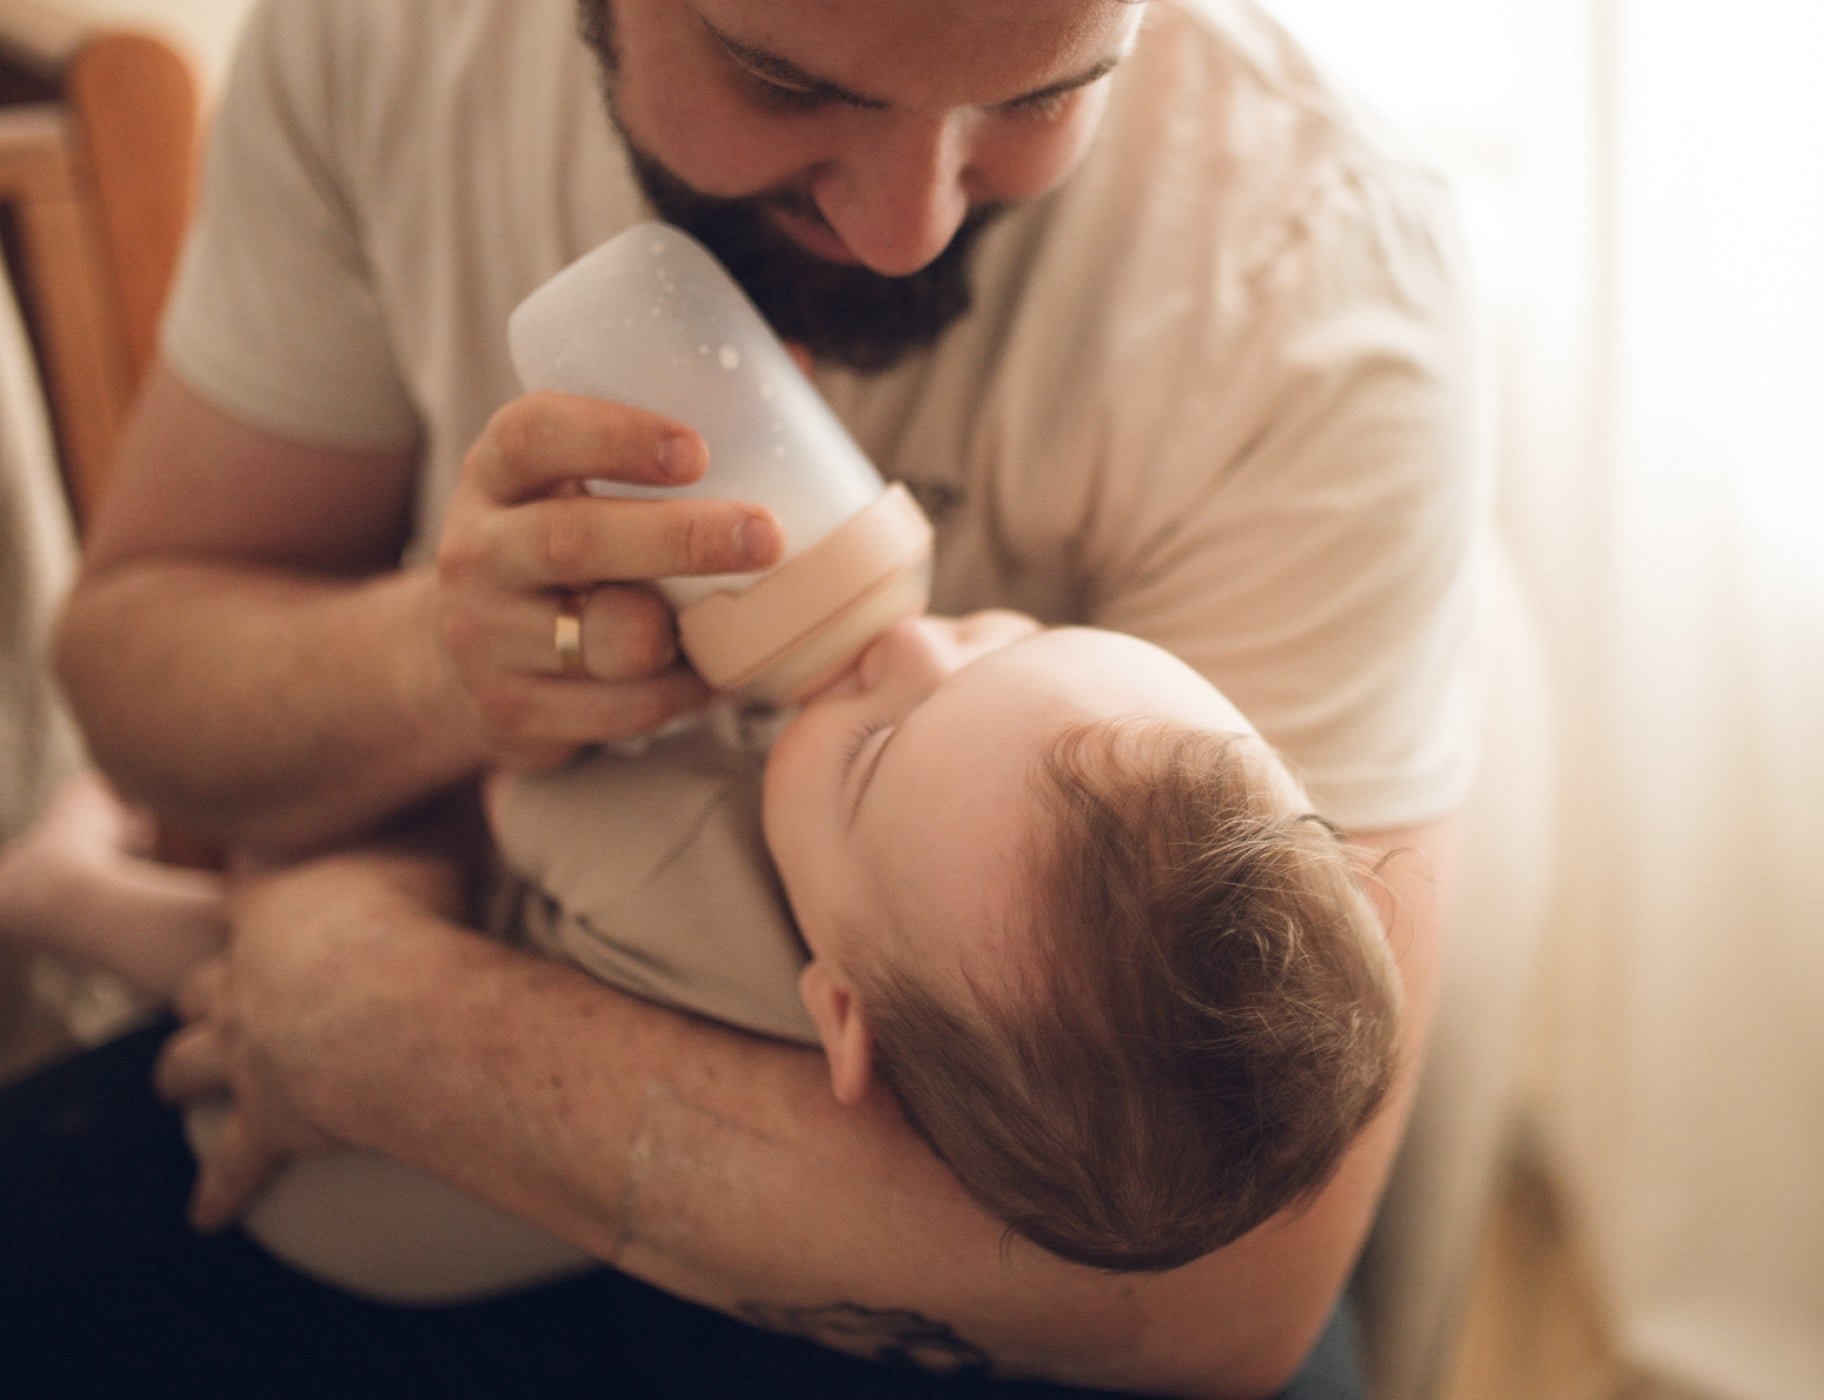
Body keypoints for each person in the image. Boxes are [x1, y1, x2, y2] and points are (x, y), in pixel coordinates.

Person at [23, 0, 1483, 1393]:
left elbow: (1230, 1288)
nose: (909, 228)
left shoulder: (1321, 257)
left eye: (1046, 92)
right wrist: (443, 661)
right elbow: (138, 685)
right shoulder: (391, 43)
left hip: (957, 1217)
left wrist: (394, 1022)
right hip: (412, 1138)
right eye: (784, 81)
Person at [1, 611, 1403, 1298]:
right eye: (1002, 637)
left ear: (840, 1017)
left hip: (319, 1166)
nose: (909, 636)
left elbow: (522, 789)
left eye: (881, 747)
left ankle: (64, 893)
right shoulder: (953, 1001)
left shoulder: (681, 863)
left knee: (329, 890)